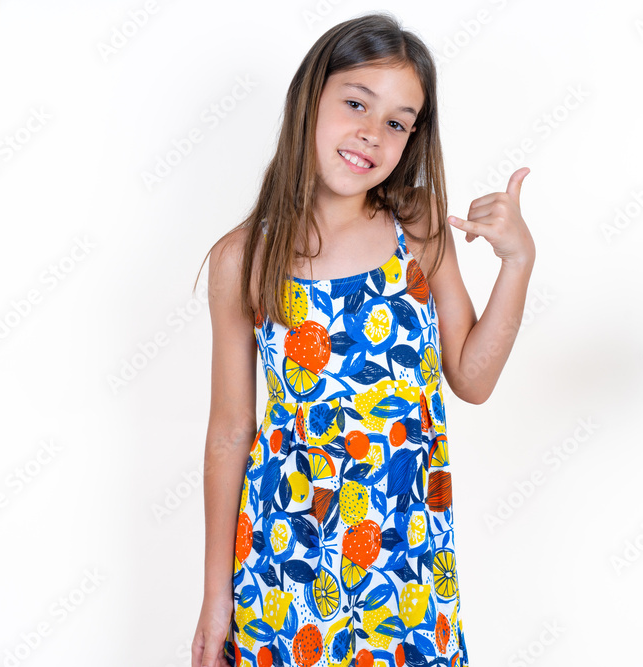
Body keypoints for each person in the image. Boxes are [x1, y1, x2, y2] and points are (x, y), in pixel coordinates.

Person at [190, 11, 535, 667]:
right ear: (309, 97)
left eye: (398, 122)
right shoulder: (243, 258)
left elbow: (473, 377)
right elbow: (231, 432)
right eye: (356, 103)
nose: (372, 133)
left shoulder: (418, 227)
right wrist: (216, 597)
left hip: (407, 564)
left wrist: (517, 262)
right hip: (284, 564)